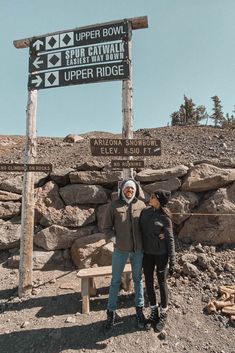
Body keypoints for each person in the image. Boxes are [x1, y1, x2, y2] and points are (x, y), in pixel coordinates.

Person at [103, 179, 146, 329]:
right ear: (123, 190)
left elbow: (147, 225)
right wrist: (114, 239)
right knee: (115, 281)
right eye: (127, 189)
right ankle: (111, 312)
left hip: (138, 250)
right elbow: (106, 228)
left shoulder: (141, 205)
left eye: (132, 189)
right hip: (120, 250)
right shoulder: (113, 206)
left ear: (135, 191)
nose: (129, 191)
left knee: (138, 279)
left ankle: (139, 310)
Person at [140, 190, 176, 332]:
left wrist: (173, 261)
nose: (150, 197)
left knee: (161, 282)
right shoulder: (145, 212)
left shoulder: (165, 217)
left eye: (153, 197)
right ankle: (154, 311)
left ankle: (164, 312)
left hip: (161, 254)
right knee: (148, 281)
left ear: (159, 201)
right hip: (147, 254)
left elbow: (170, 239)